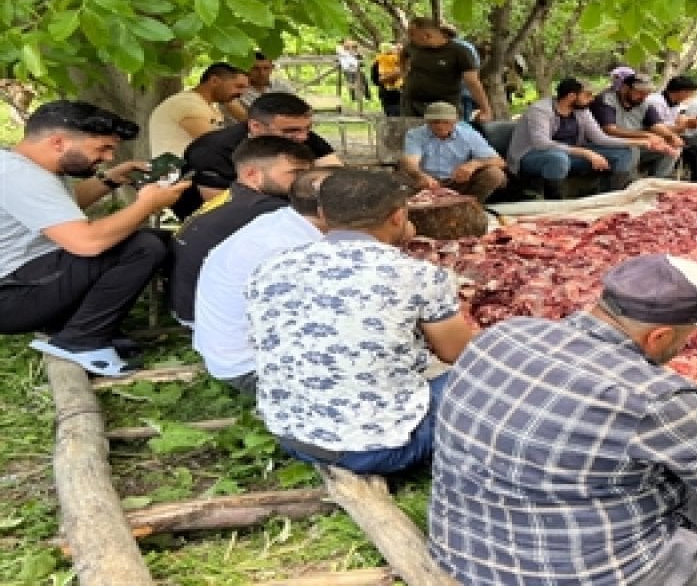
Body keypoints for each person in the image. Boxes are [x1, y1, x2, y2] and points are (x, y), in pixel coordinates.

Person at [430, 253, 697, 585]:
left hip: (465, 553)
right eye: (685, 336)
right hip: (581, 576)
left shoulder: (505, 334)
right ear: (657, 337)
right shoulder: (656, 396)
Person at [246, 169, 473, 474]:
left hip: (292, 436)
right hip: (380, 449)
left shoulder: (270, 267)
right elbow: (458, 354)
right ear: (398, 216)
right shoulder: (416, 274)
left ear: (323, 213)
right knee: (489, 378)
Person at [0, 101, 189, 376]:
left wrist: (111, 179)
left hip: (25, 280)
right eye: (102, 149)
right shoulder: (20, 176)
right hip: (11, 297)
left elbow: (59, 208)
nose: (108, 157)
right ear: (58, 143)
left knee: (152, 237)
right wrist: (146, 205)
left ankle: (71, 325)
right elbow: (87, 243)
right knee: (141, 247)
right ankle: (80, 340)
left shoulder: (26, 166)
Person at [193, 168, 333, 395]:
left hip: (231, 354)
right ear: (325, 212)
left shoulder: (286, 220)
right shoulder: (297, 251)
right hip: (252, 369)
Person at [169, 136, 316, 325]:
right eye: (296, 173)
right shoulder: (270, 211)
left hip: (187, 305)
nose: (306, 181)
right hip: (214, 319)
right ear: (251, 174)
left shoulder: (235, 195)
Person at [176, 93, 342, 219]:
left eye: (307, 128)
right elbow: (223, 209)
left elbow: (338, 177)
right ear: (256, 126)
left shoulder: (300, 136)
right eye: (291, 130)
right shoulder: (211, 151)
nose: (303, 137)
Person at [506, 77, 641, 199]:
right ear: (571, 96)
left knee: (623, 152)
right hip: (533, 155)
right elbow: (541, 143)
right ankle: (554, 202)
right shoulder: (540, 110)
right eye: (587, 95)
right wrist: (585, 153)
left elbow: (599, 138)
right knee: (558, 158)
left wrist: (640, 142)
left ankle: (611, 197)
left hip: (571, 154)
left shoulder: (582, 110)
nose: (592, 99)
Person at [400, 102, 507, 203]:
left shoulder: (468, 134)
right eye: (435, 122)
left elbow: (500, 161)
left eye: (446, 122)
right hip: (427, 182)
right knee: (399, 178)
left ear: (455, 121)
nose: (440, 126)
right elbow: (410, 161)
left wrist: (474, 164)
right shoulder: (415, 134)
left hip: (458, 181)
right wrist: (420, 175)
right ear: (427, 121)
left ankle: (471, 205)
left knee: (494, 174)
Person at [588, 73, 679, 179]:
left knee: (670, 147)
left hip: (638, 143)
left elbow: (657, 125)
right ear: (625, 89)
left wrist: (671, 136)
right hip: (608, 144)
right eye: (640, 92)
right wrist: (646, 135)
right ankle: (627, 185)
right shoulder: (606, 100)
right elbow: (609, 130)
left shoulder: (645, 104)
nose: (643, 96)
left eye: (647, 93)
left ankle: (658, 183)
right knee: (632, 150)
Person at [400, 17, 492, 121]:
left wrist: (485, 110)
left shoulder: (460, 51)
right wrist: (404, 74)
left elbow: (472, 82)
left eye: (412, 33)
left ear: (427, 35)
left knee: (444, 135)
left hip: (445, 107)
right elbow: (403, 55)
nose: (409, 37)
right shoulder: (413, 46)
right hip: (412, 104)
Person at [149, 62, 248, 158]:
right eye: (238, 86)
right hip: (179, 173)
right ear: (214, 81)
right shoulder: (188, 104)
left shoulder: (207, 106)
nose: (241, 93)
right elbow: (216, 145)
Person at [646, 75, 697, 182]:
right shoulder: (656, 102)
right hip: (657, 136)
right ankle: (696, 181)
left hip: (673, 135)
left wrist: (695, 121)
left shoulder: (677, 104)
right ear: (682, 92)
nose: (690, 96)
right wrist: (685, 126)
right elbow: (657, 127)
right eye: (690, 93)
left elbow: (683, 121)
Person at [226, 52, 295, 122]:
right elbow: (245, 119)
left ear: (272, 68)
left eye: (266, 68)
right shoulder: (234, 90)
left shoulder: (282, 87)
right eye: (256, 68)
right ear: (247, 68)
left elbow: (297, 109)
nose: (262, 73)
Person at [372, 43, 404, 117]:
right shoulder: (379, 61)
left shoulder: (408, 61)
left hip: (408, 97)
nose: (398, 51)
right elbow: (376, 80)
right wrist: (393, 75)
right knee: (395, 119)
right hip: (390, 97)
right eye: (396, 49)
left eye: (401, 49)